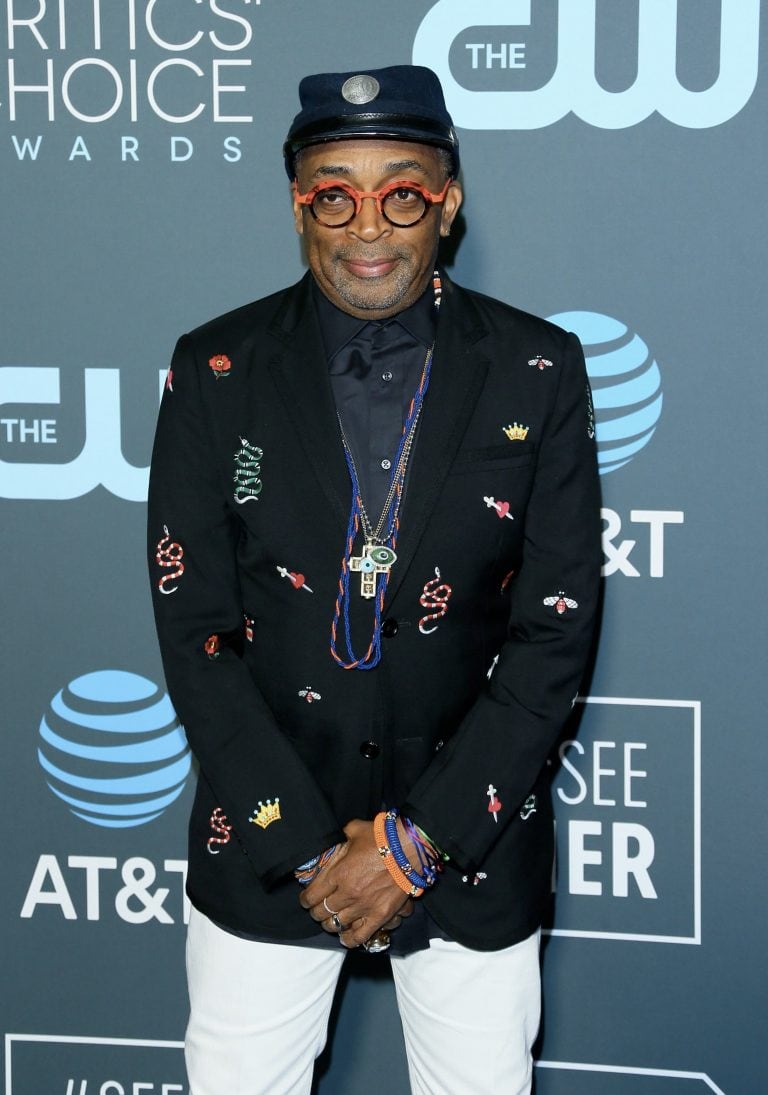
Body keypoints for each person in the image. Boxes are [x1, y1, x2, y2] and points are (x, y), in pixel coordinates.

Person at [148, 64, 601, 1095]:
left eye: (401, 190)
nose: (369, 227)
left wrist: (414, 845)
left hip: (473, 839)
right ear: (297, 203)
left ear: (447, 201)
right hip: (267, 840)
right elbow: (197, 636)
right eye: (334, 192)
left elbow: (554, 634)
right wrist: (313, 853)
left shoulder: (538, 366)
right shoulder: (215, 369)